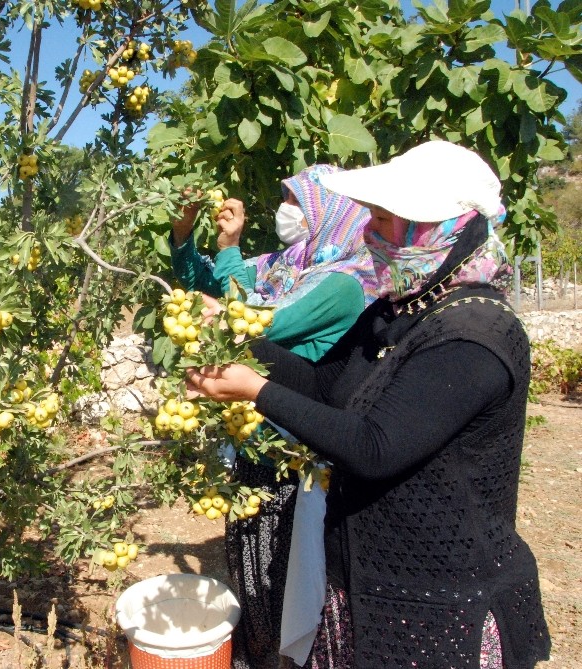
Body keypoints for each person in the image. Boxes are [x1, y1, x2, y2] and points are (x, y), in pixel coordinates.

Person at [185, 141, 551, 668]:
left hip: (441, 604)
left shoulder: (475, 335)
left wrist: (254, 390)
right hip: (364, 579)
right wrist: (236, 337)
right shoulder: (395, 310)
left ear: (438, 229)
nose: (369, 232)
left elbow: (375, 447)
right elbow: (321, 383)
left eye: (383, 219)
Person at [170, 165, 377, 669]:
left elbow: (257, 321)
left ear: (327, 210)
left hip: (295, 448)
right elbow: (210, 286)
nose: (287, 211)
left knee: (288, 576)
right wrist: (188, 235)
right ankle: (263, 653)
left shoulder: (343, 283)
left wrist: (228, 254)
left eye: (295, 201)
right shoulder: (289, 265)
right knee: (253, 567)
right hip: (256, 433)